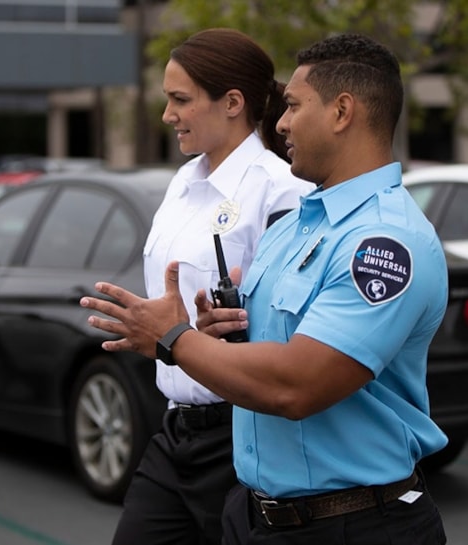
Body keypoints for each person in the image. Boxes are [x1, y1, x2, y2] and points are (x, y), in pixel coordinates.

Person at [81, 33, 449, 545]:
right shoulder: (295, 226)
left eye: (294, 106)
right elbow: (262, 346)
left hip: (353, 524)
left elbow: (295, 386)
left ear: (342, 112)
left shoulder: (384, 244)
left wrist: (175, 339)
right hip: (257, 515)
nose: (279, 122)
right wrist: (213, 333)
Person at [111, 28, 310, 545]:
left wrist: (219, 327)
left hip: (242, 437)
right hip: (176, 429)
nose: (167, 115)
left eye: (180, 100)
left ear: (233, 103)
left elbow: (294, 326)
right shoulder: (183, 181)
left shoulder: (282, 189)